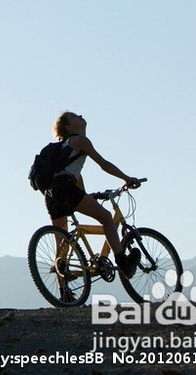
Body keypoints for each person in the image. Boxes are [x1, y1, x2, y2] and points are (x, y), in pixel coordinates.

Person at [44, 111, 142, 277]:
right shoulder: (80, 140)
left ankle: (64, 294)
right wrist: (127, 178)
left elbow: (76, 181)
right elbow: (103, 164)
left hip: (50, 194)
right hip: (66, 189)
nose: (80, 115)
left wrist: (89, 196)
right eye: (74, 116)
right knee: (106, 218)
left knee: (61, 246)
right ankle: (123, 262)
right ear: (68, 126)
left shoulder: (61, 150)